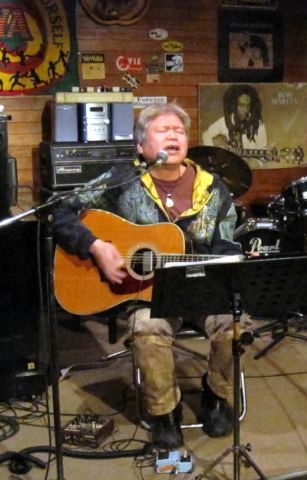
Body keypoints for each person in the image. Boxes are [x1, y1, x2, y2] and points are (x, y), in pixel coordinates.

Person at [51, 102, 242, 449]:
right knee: (147, 328)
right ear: (141, 146)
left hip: (202, 290)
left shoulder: (214, 189)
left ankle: (217, 395)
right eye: (163, 130)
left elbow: (226, 245)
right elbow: (60, 212)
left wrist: (232, 263)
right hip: (147, 294)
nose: (173, 135)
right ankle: (165, 412)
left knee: (233, 323)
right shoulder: (123, 181)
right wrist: (96, 246)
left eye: (179, 131)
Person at [201, 84, 268, 168]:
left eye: (248, 105)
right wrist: (212, 153)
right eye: (241, 105)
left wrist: (258, 160)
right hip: (231, 163)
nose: (245, 110)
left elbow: (262, 149)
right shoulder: (225, 121)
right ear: (234, 105)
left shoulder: (258, 124)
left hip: (251, 163)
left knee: (250, 165)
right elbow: (206, 134)